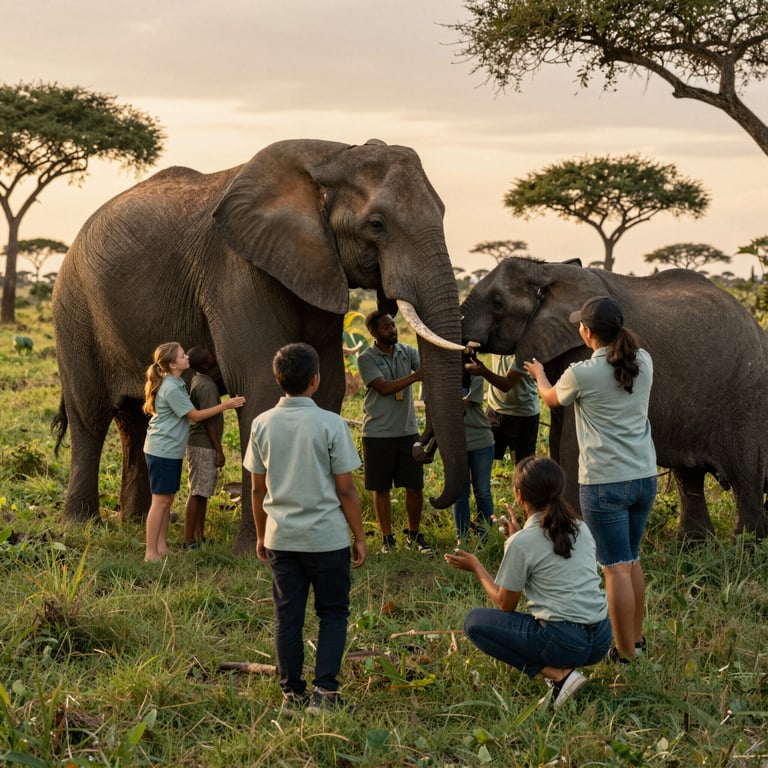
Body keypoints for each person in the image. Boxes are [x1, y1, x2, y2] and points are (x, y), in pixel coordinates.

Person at [523, 296, 657, 662]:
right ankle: (637, 641)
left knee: (615, 569)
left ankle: (625, 654)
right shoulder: (643, 361)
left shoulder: (581, 373)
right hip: (644, 477)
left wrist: (539, 374)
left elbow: (551, 399)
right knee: (631, 560)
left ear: (586, 333)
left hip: (604, 482)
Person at [243, 342, 367, 712]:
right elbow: (346, 489)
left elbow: (256, 489)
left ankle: (291, 694)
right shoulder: (331, 423)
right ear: (315, 380)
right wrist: (359, 536)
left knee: (287, 617)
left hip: (281, 537)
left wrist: (262, 534)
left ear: (277, 379)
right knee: (333, 614)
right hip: (327, 539)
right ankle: (325, 693)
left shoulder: (261, 423)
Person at [445, 456, 611, 708]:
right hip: (601, 638)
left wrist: (477, 567)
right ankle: (565, 673)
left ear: (519, 495)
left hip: (565, 642)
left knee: (475, 623)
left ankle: (560, 676)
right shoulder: (581, 527)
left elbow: (505, 605)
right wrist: (517, 538)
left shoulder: (521, 543)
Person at [142, 342, 245, 562]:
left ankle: (161, 547)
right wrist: (226, 405)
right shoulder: (171, 388)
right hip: (162, 450)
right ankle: (151, 552)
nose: (186, 357)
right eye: (182, 356)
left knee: (167, 500)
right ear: (172, 364)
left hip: (170, 450)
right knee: (160, 502)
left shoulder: (177, 382)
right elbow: (195, 416)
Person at [357, 310, 431, 554]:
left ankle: (414, 535)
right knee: (381, 488)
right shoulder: (366, 358)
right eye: (386, 327)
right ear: (373, 332)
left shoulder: (407, 351)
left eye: (393, 325)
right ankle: (387, 539)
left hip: (407, 431)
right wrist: (414, 377)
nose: (393, 330)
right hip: (377, 433)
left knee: (415, 486)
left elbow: (427, 370)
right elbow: (383, 388)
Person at [183, 346, 225, 551]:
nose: (215, 356)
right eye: (211, 355)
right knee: (197, 492)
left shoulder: (198, 380)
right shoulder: (207, 386)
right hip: (204, 445)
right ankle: (188, 541)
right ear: (206, 364)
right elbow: (209, 420)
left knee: (202, 492)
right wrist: (219, 450)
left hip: (201, 444)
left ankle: (199, 536)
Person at [464, 354, 540, 464]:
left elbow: (507, 384)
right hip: (494, 409)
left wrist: (483, 371)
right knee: (482, 454)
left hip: (522, 414)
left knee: (523, 464)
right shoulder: (498, 346)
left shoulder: (525, 351)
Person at [453, 372, 495, 544]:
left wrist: (442, 399)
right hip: (455, 443)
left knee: (482, 492)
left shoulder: (475, 376)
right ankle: (462, 538)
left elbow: (467, 402)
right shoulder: (444, 376)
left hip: (480, 440)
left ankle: (487, 537)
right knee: (459, 493)